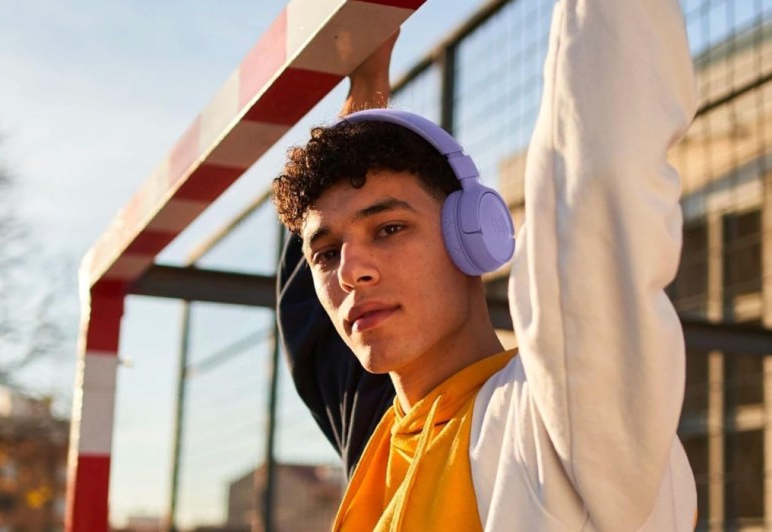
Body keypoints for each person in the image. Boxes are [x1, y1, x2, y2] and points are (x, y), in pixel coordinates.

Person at [273, 0, 698, 529]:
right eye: (328, 252)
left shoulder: (549, 422)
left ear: (472, 236)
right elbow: (307, 325)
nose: (349, 272)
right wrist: (365, 88)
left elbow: (596, 180)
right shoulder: (382, 436)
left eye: (389, 229)